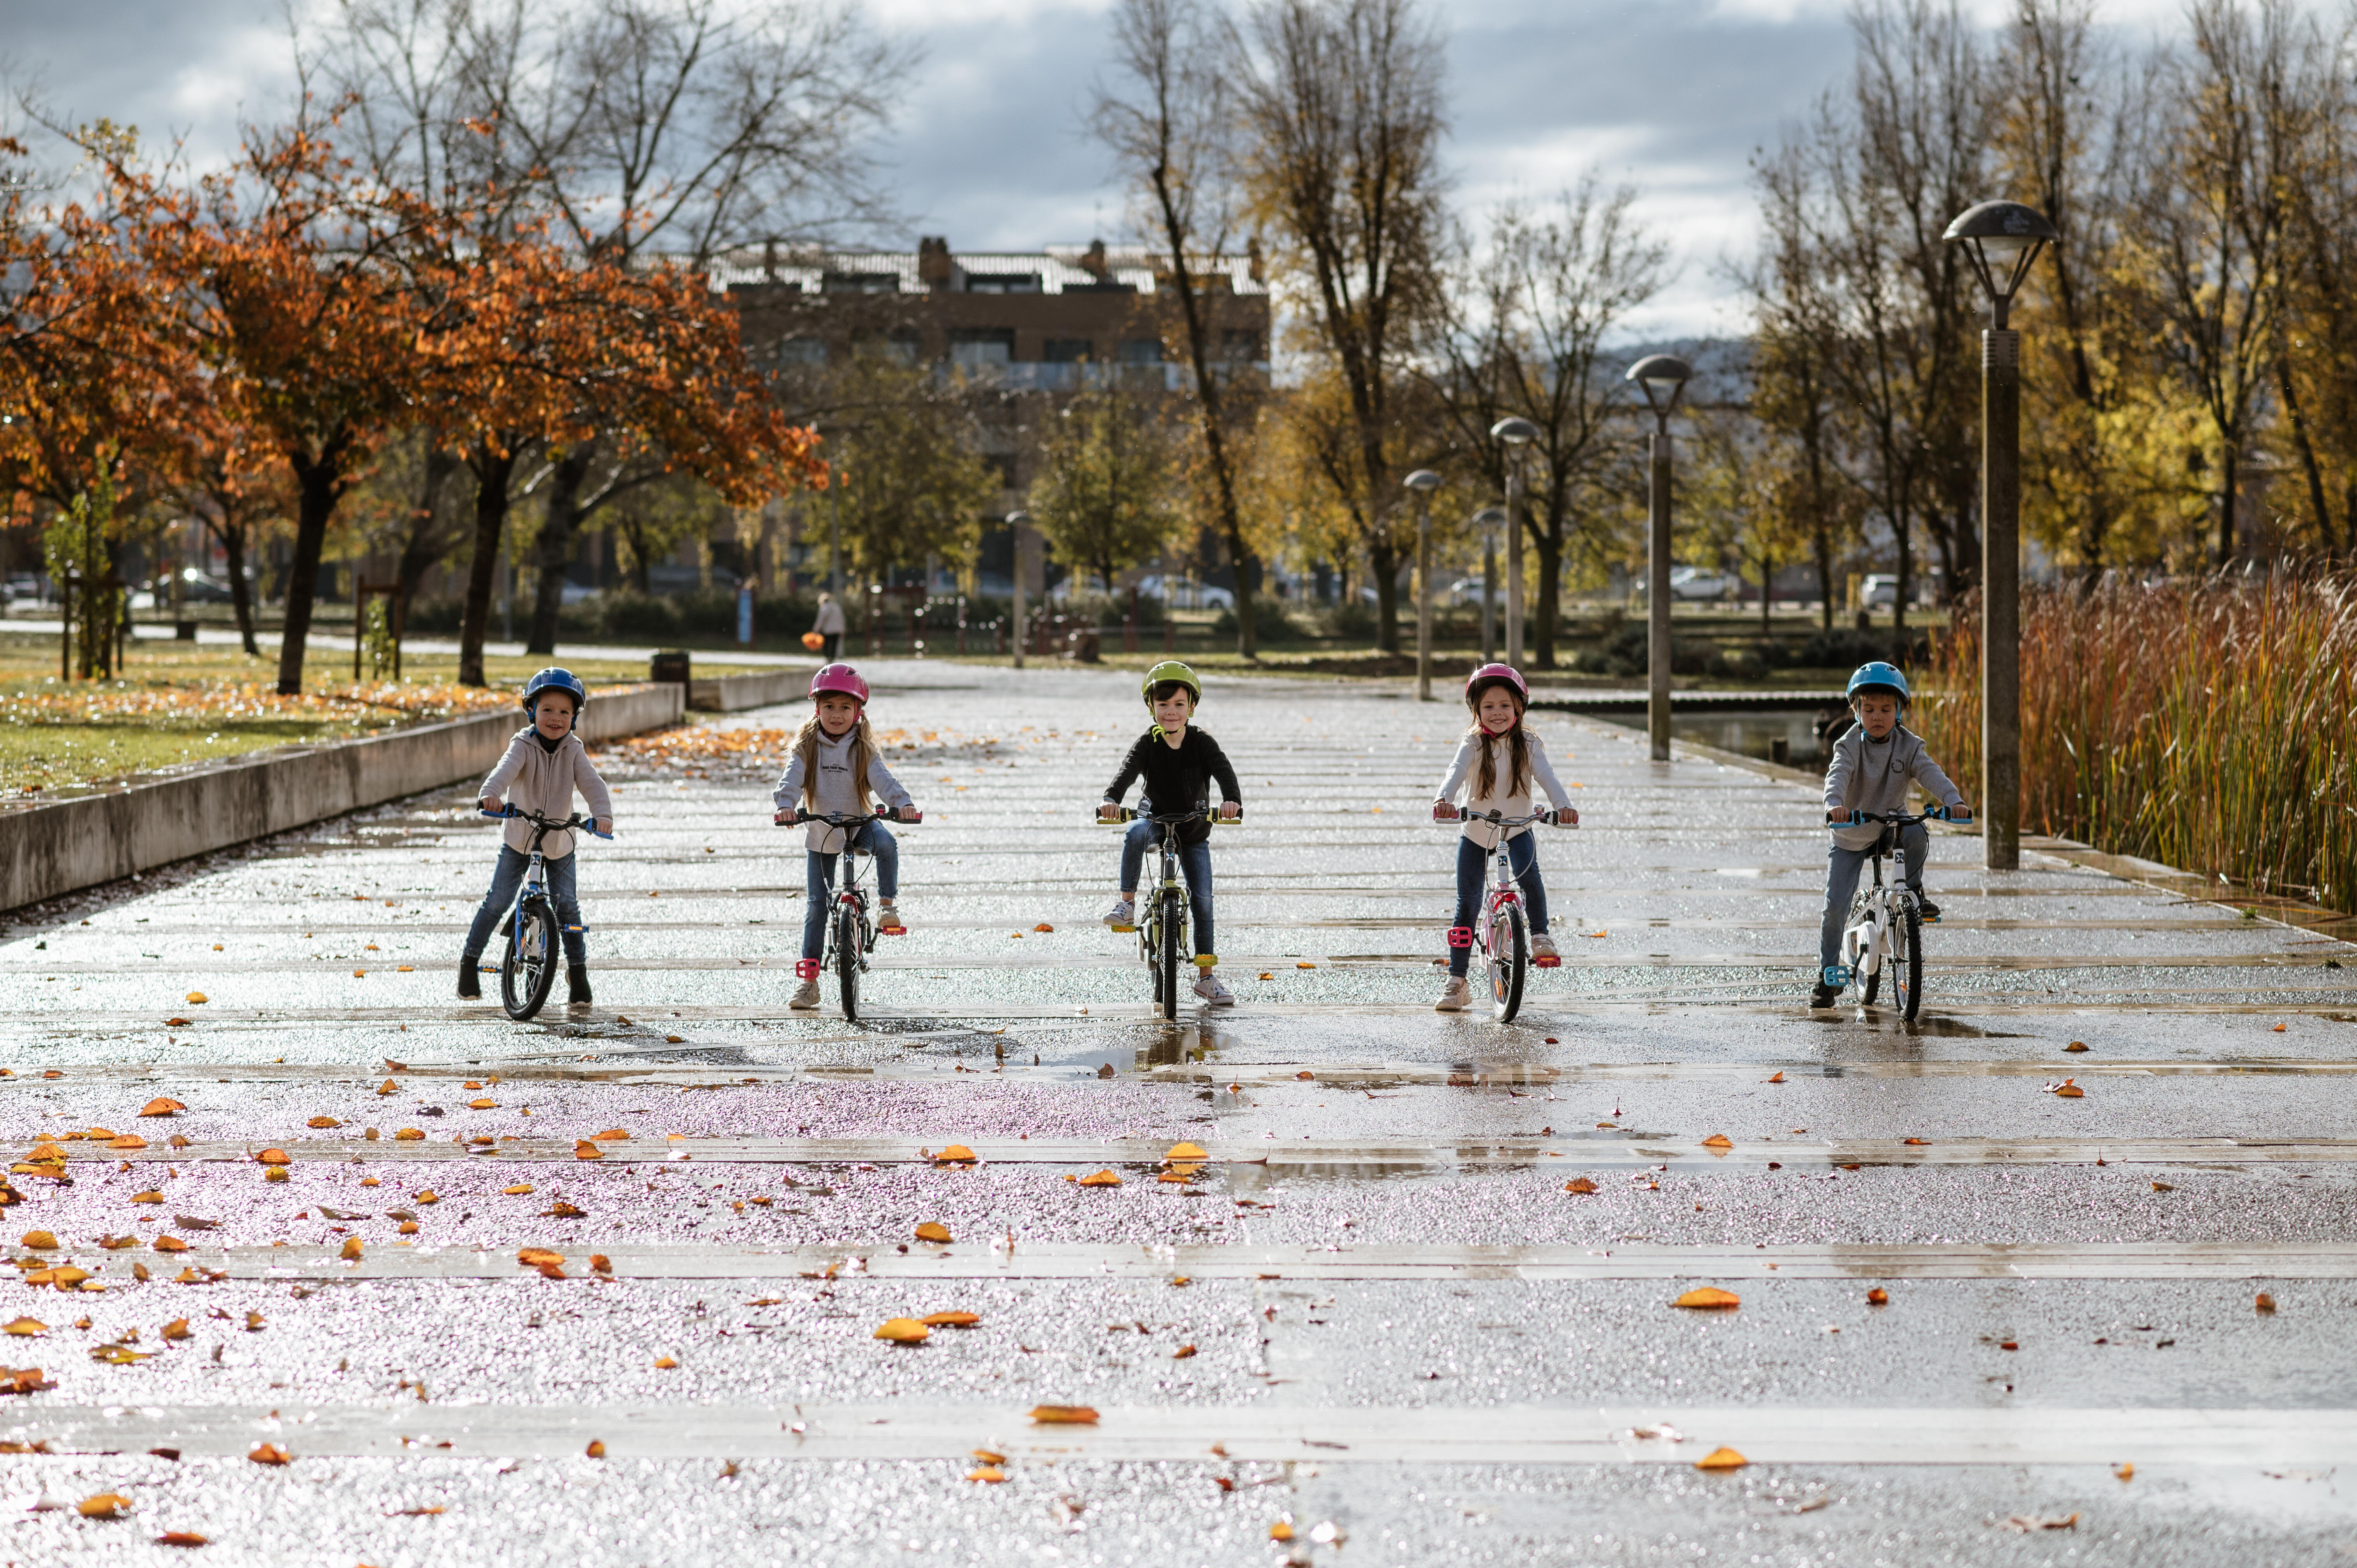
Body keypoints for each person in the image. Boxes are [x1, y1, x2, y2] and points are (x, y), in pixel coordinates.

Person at [1813, 660, 1972, 1008]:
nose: (1878, 717)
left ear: (1899, 710)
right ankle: (1827, 976)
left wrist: (1953, 800)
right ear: (1856, 711)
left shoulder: (1909, 746)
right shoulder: (1848, 745)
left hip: (1889, 826)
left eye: (1886, 709)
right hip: (1851, 832)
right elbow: (1837, 776)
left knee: (1917, 830)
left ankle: (1912, 891)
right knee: (1835, 908)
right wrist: (1834, 805)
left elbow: (1931, 773)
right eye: (1868, 709)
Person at [461, 668, 614, 1005]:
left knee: (568, 908)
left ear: (574, 718)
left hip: (560, 842)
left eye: (564, 712)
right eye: (547, 710)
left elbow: (592, 784)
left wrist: (602, 816)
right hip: (520, 837)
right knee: (498, 900)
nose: (555, 718)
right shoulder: (523, 746)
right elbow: (503, 771)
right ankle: (469, 962)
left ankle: (578, 971)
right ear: (532, 712)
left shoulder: (574, 750)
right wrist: (491, 795)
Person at [1430, 664, 1577, 1012]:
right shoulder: (1473, 744)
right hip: (1476, 834)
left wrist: (1564, 806)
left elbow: (1548, 777)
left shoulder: (1528, 744)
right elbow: (1455, 773)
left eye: (1505, 706)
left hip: (1518, 829)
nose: (1497, 713)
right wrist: (1444, 800)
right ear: (1477, 712)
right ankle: (1457, 980)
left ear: (1519, 709)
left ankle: (1540, 936)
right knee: (1467, 904)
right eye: (1488, 707)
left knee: (1530, 879)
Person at [1099, 661, 1242, 1008]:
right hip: (1155, 820)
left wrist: (1231, 801)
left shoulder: (1202, 743)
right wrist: (1110, 800)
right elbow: (1127, 772)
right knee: (1133, 833)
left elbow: (1224, 772)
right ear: (1152, 708)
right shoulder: (1148, 743)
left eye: (1179, 705)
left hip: (1194, 830)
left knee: (1203, 900)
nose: (1171, 713)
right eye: (1163, 705)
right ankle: (1128, 904)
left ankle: (1206, 979)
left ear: (1192, 707)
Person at [773, 664, 915, 1012]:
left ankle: (887, 906)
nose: (837, 715)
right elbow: (791, 779)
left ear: (858, 712)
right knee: (816, 906)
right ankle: (809, 983)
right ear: (817, 709)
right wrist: (786, 806)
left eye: (845, 708)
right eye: (829, 707)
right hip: (822, 830)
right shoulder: (807, 747)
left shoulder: (862, 748)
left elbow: (883, 780)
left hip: (859, 823)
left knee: (886, 843)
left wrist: (903, 803)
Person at [811, 592, 846, 663]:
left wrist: (816, 630)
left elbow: (820, 620)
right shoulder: (837, 607)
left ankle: (828, 658)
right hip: (837, 630)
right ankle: (832, 659)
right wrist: (843, 630)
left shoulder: (824, 608)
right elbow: (842, 619)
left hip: (828, 630)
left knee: (826, 645)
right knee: (834, 645)